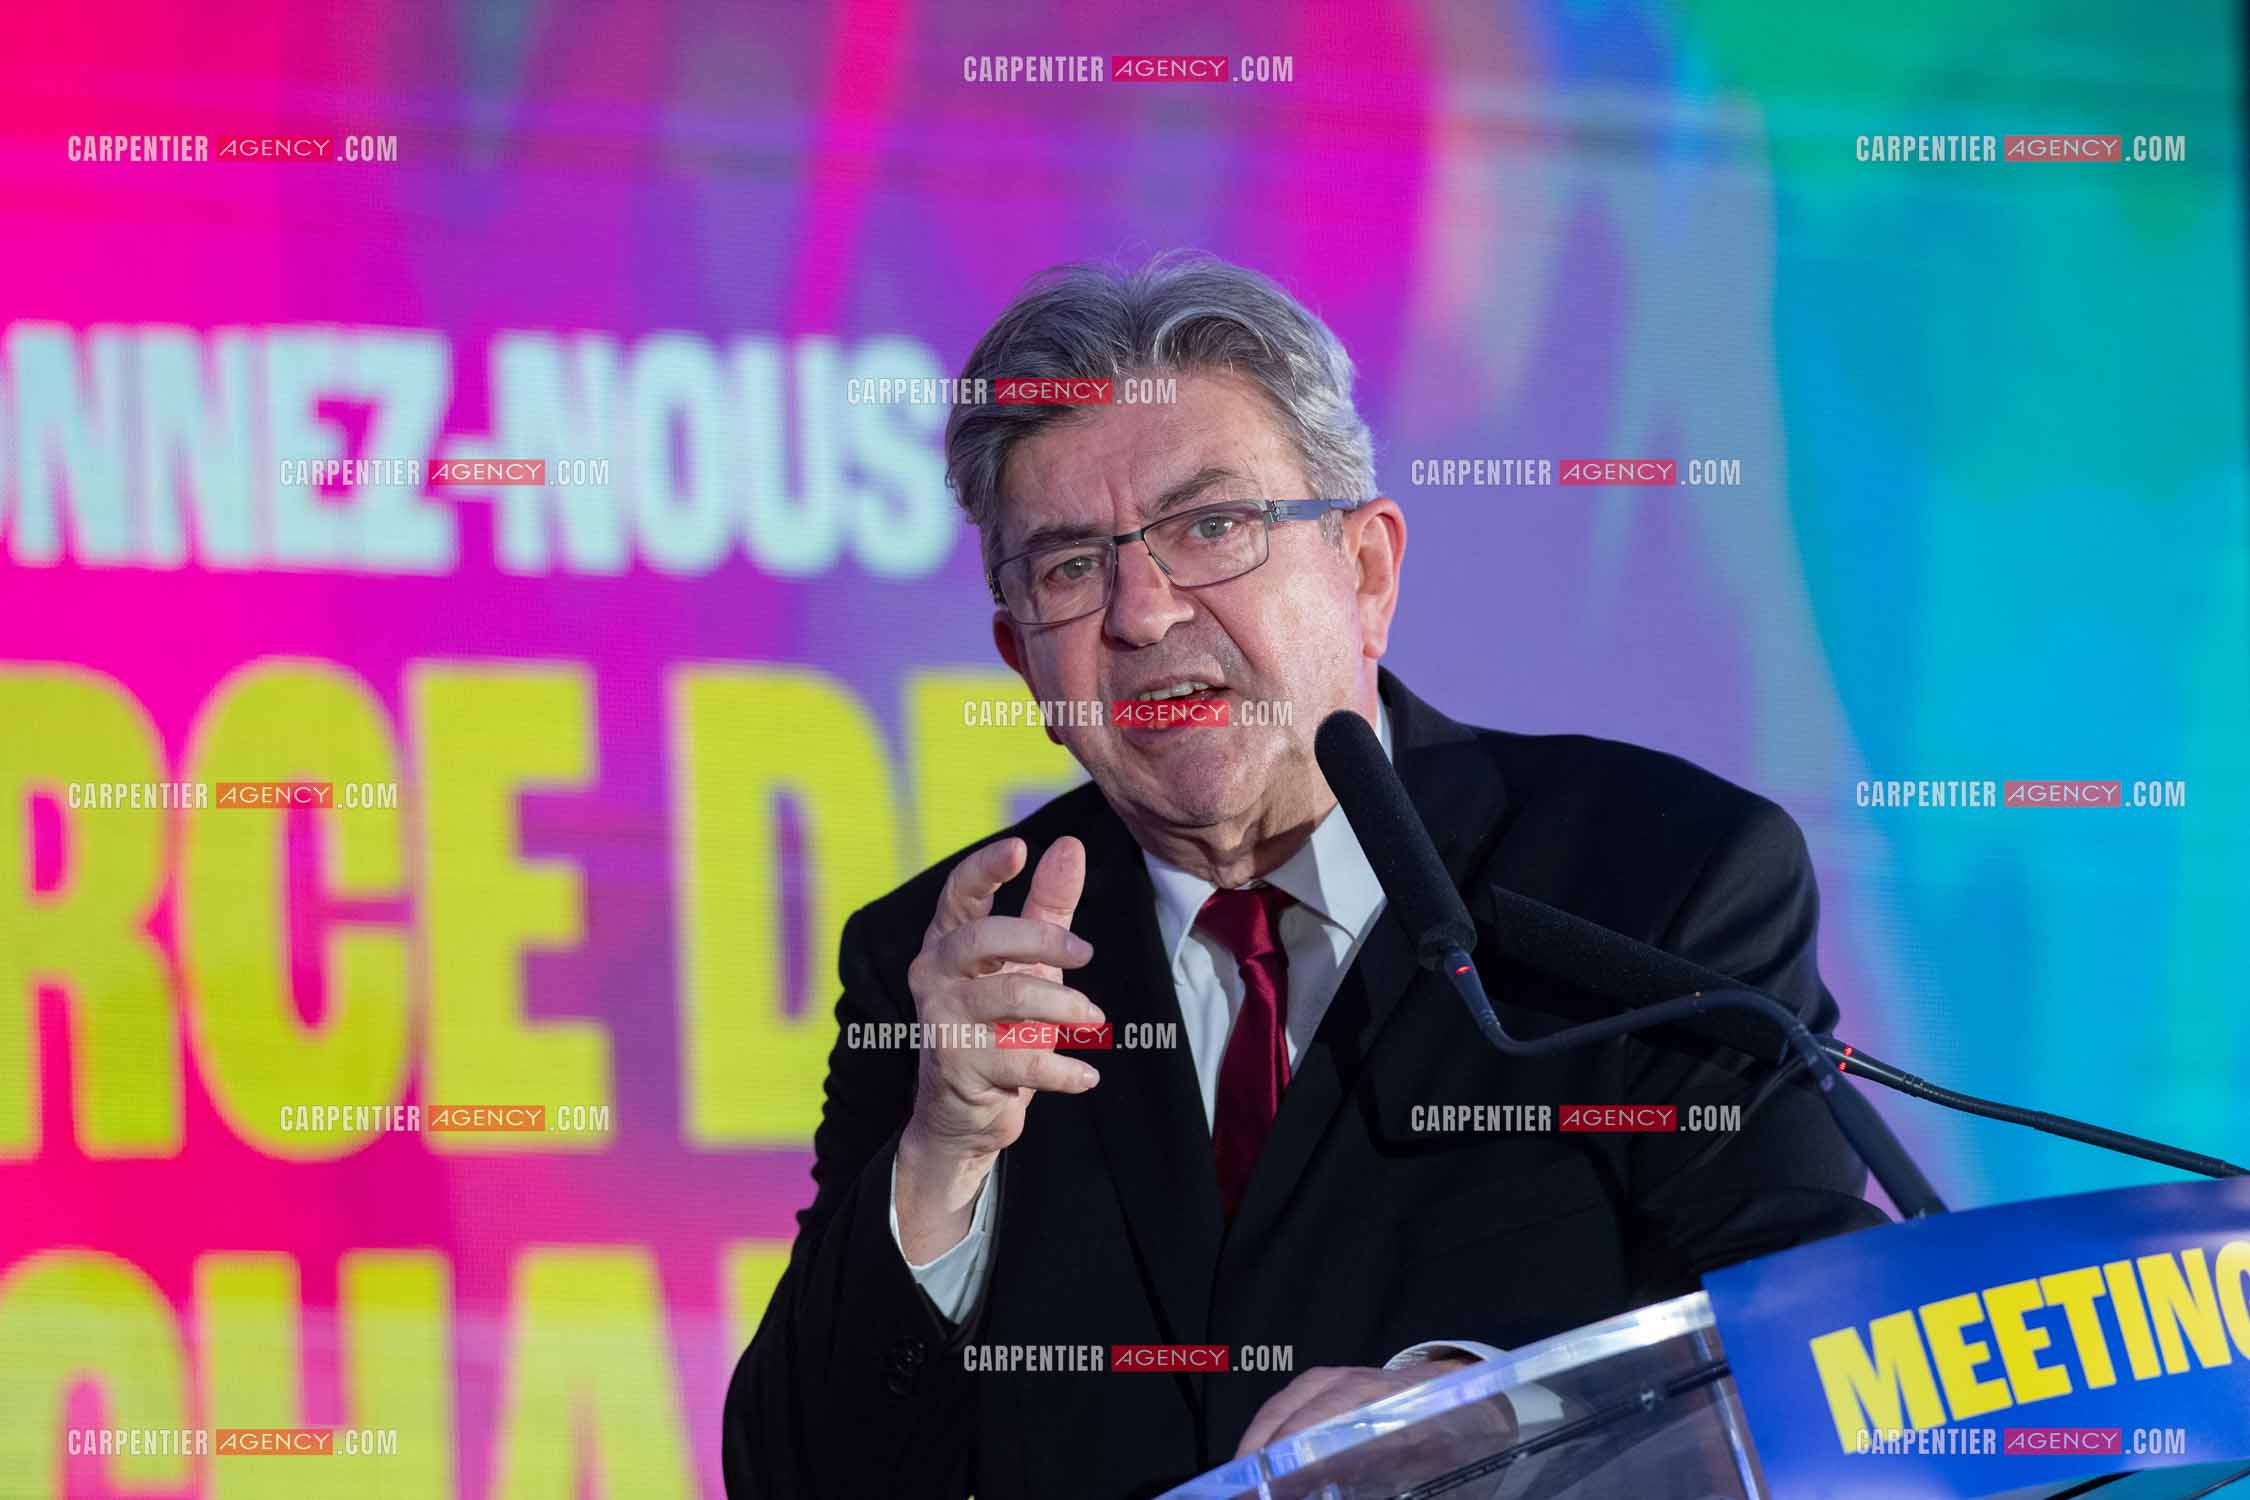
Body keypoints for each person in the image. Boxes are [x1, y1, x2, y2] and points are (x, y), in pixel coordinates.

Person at [722, 251, 1885, 1500]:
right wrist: (941, 1153)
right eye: (1069, 567)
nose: (1142, 612)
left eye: (1211, 526)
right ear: (1022, 660)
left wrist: (1493, 1422)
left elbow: (1839, 1372)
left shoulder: (1656, 878)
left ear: (1366, 570)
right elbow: (798, 1477)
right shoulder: (958, 959)